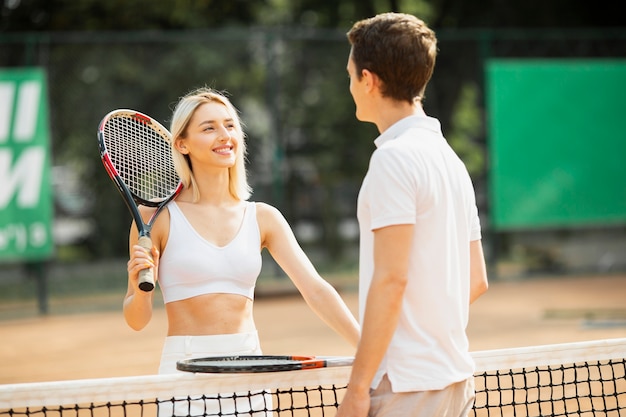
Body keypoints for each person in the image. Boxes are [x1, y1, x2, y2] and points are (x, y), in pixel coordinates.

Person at [123, 87, 360, 416]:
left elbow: (316, 290)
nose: (225, 135)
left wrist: (368, 348)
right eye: (209, 128)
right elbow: (137, 320)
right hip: (184, 377)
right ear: (182, 143)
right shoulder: (155, 220)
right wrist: (138, 287)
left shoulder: (263, 217)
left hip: (250, 375)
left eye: (230, 125)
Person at [336, 13, 489, 417]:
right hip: (454, 382)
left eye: (351, 76)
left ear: (368, 79)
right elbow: (476, 279)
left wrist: (357, 388)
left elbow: (390, 280)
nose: (350, 86)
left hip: (407, 388)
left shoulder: (392, 161)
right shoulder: (451, 161)